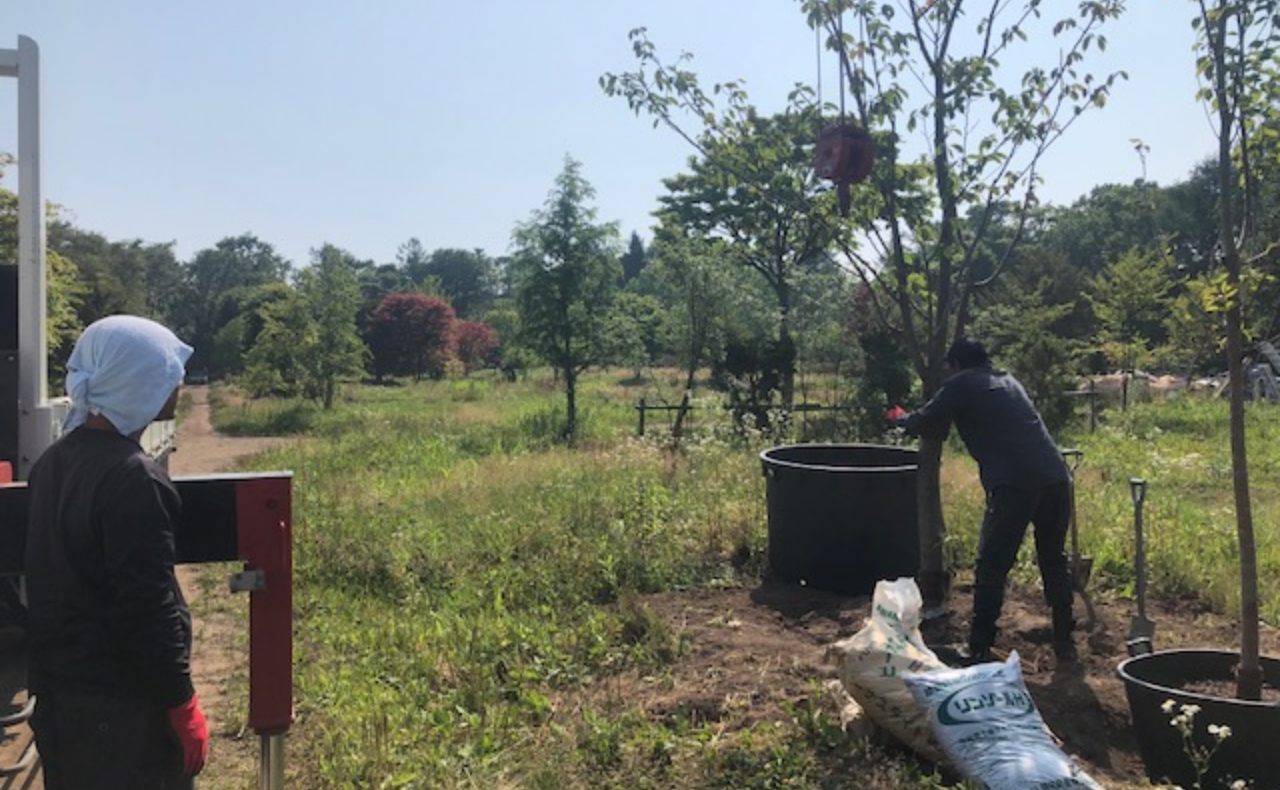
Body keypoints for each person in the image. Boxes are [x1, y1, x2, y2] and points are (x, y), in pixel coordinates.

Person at [24, 315, 209, 789]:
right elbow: (148, 606)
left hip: (66, 703)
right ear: (139, 381)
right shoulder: (134, 480)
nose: (179, 384)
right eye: (169, 373)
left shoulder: (53, 463)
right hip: (125, 716)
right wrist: (181, 704)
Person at [890, 336, 1076, 665]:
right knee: (1053, 560)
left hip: (1016, 483)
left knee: (992, 564)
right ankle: (1065, 645)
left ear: (957, 364)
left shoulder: (961, 383)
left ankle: (978, 647)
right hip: (1057, 478)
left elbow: (922, 421)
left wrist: (898, 417)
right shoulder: (1008, 381)